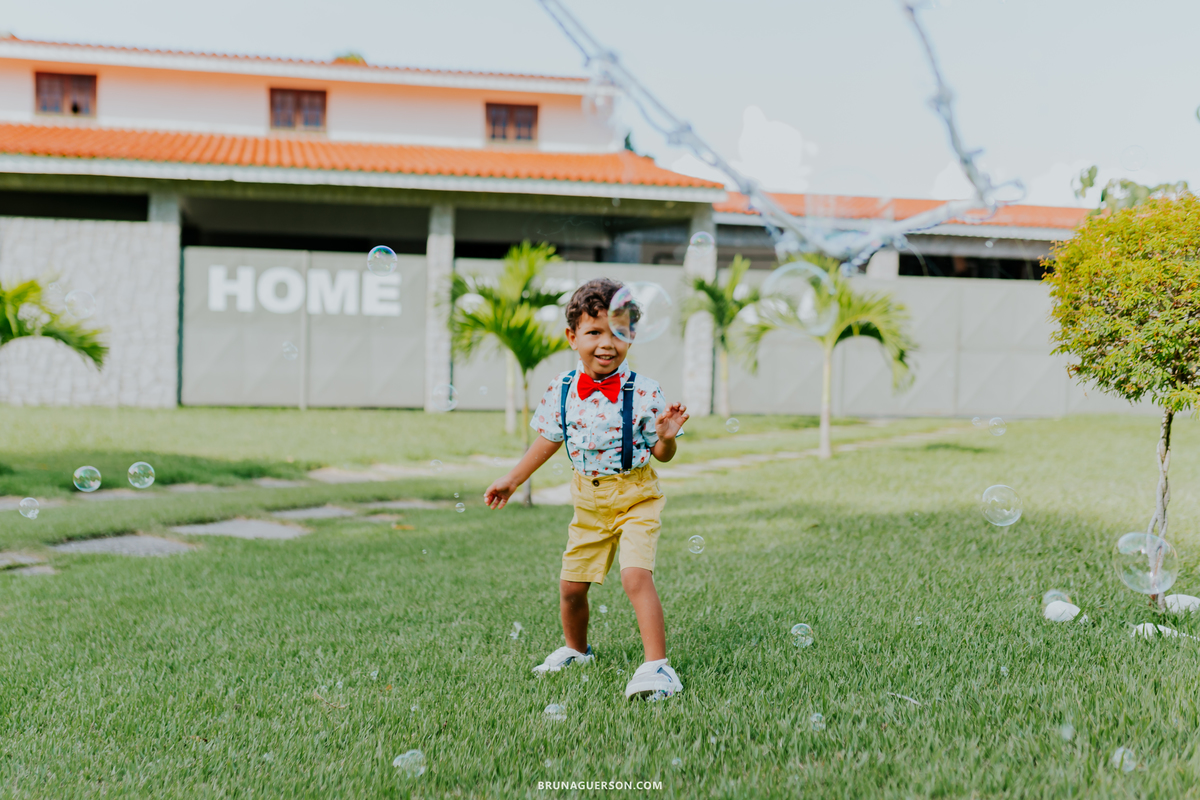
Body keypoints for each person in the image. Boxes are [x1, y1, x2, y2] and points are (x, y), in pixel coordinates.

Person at [484, 278, 689, 700]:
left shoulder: (646, 391)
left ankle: (657, 668)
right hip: (589, 502)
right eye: (594, 332)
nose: (606, 343)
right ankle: (577, 650)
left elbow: (662, 454)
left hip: (636, 497)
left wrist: (666, 436)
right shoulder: (561, 390)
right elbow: (547, 441)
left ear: (632, 336)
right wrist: (512, 478)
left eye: (618, 332)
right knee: (571, 587)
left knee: (635, 577)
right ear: (572, 337)